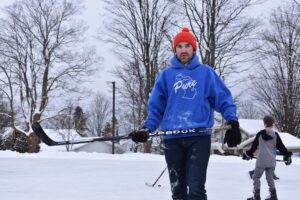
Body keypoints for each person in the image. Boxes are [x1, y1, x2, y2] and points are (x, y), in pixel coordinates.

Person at [130, 27, 241, 200]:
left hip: (199, 137)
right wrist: (147, 128)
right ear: (175, 49)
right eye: (179, 46)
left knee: (196, 190)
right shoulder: (166, 76)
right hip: (172, 140)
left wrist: (233, 121)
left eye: (187, 46)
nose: (183, 50)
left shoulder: (206, 73)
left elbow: (223, 98)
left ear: (194, 48)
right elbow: (156, 108)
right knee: (178, 192)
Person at [243, 115, 292, 200]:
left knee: (256, 177)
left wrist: (247, 154)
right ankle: (273, 196)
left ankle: (256, 196)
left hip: (261, 161)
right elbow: (282, 147)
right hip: (271, 161)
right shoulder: (275, 135)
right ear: (272, 124)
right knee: (270, 178)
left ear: (264, 124)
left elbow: (253, 147)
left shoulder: (260, 134)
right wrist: (287, 156)